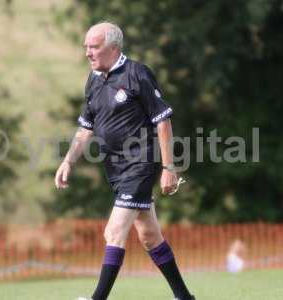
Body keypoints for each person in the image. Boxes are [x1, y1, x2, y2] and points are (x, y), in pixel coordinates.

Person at [55, 22, 195, 300]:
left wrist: (168, 167)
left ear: (114, 48)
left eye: (94, 47)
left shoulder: (137, 74)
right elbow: (86, 127)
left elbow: (163, 122)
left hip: (141, 162)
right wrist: (69, 161)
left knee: (114, 231)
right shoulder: (94, 79)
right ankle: (184, 297)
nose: (88, 53)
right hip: (116, 169)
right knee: (149, 236)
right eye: (86, 47)